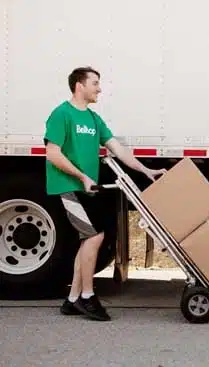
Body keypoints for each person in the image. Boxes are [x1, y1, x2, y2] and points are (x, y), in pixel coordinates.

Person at [44, 66, 166, 321]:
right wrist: (81, 176)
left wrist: (146, 170)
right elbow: (52, 153)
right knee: (94, 236)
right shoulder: (61, 114)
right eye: (95, 83)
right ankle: (87, 296)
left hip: (86, 188)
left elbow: (118, 149)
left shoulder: (93, 119)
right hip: (69, 187)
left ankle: (73, 299)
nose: (99, 88)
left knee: (90, 238)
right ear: (80, 85)